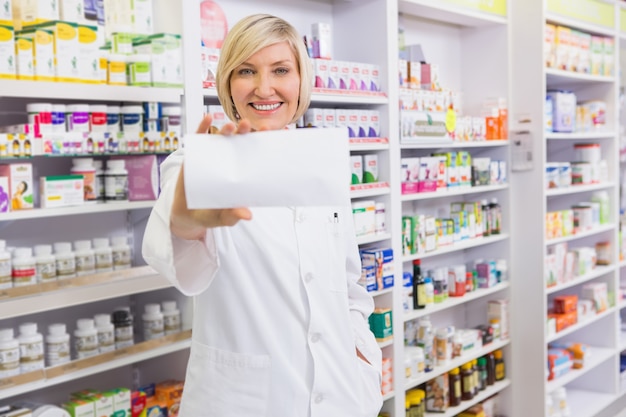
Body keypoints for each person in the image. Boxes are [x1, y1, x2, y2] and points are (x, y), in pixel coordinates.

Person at [142, 14, 382, 416]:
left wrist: (362, 361)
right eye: (247, 71)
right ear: (228, 83)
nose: (264, 87)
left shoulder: (320, 163)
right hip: (244, 403)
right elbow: (174, 242)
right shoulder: (199, 163)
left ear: (301, 80)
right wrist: (188, 222)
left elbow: (349, 285)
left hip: (342, 398)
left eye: (281, 70)